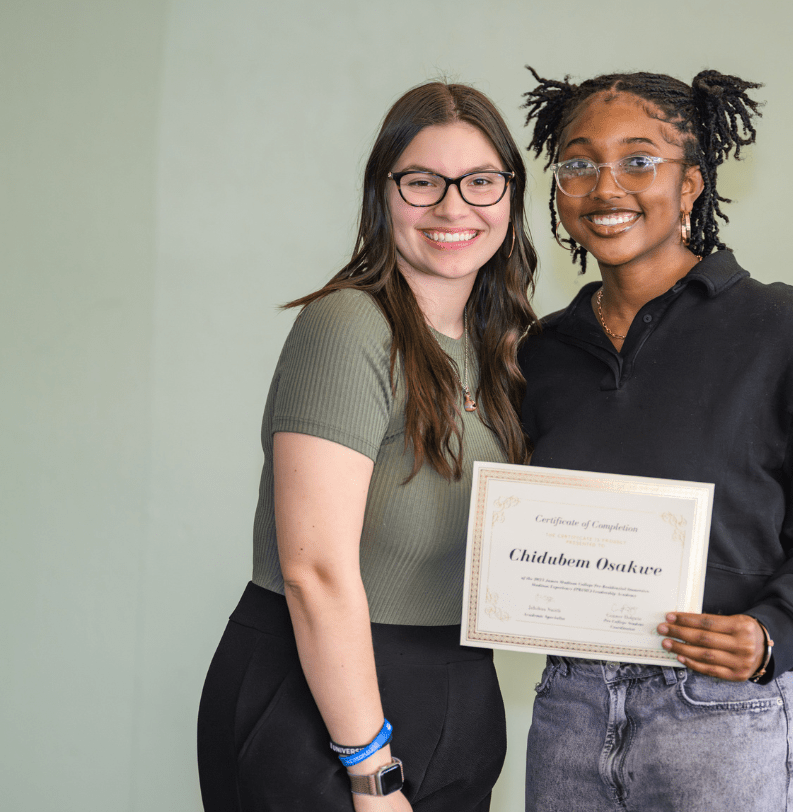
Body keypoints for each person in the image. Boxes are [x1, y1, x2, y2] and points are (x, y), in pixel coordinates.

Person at [518, 68, 793, 811]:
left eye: (639, 160)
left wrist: (771, 635)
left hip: (724, 712)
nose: (606, 187)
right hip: (570, 705)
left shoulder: (785, 335)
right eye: (578, 163)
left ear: (691, 184)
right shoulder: (541, 355)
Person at [196, 81, 538, 812]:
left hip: (459, 686)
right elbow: (314, 569)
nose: (453, 208)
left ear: (510, 197)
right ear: (382, 196)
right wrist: (370, 767)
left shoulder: (506, 349)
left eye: (481, 182)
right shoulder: (348, 325)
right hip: (320, 704)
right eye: (422, 182)